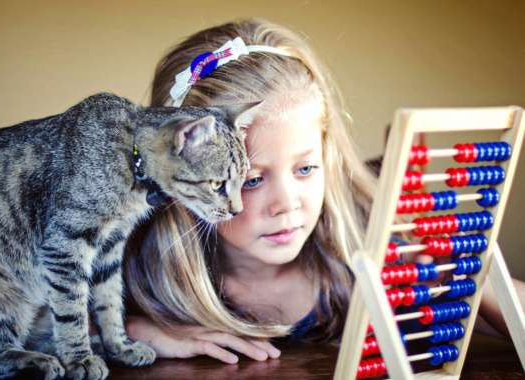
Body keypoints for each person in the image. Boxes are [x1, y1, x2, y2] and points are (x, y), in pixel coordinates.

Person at [121, 18, 524, 364]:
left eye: (306, 168)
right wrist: (133, 331)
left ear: (327, 154)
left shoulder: (370, 238)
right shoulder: (141, 257)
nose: (287, 204)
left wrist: (479, 279)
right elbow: (60, 316)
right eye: (252, 180)